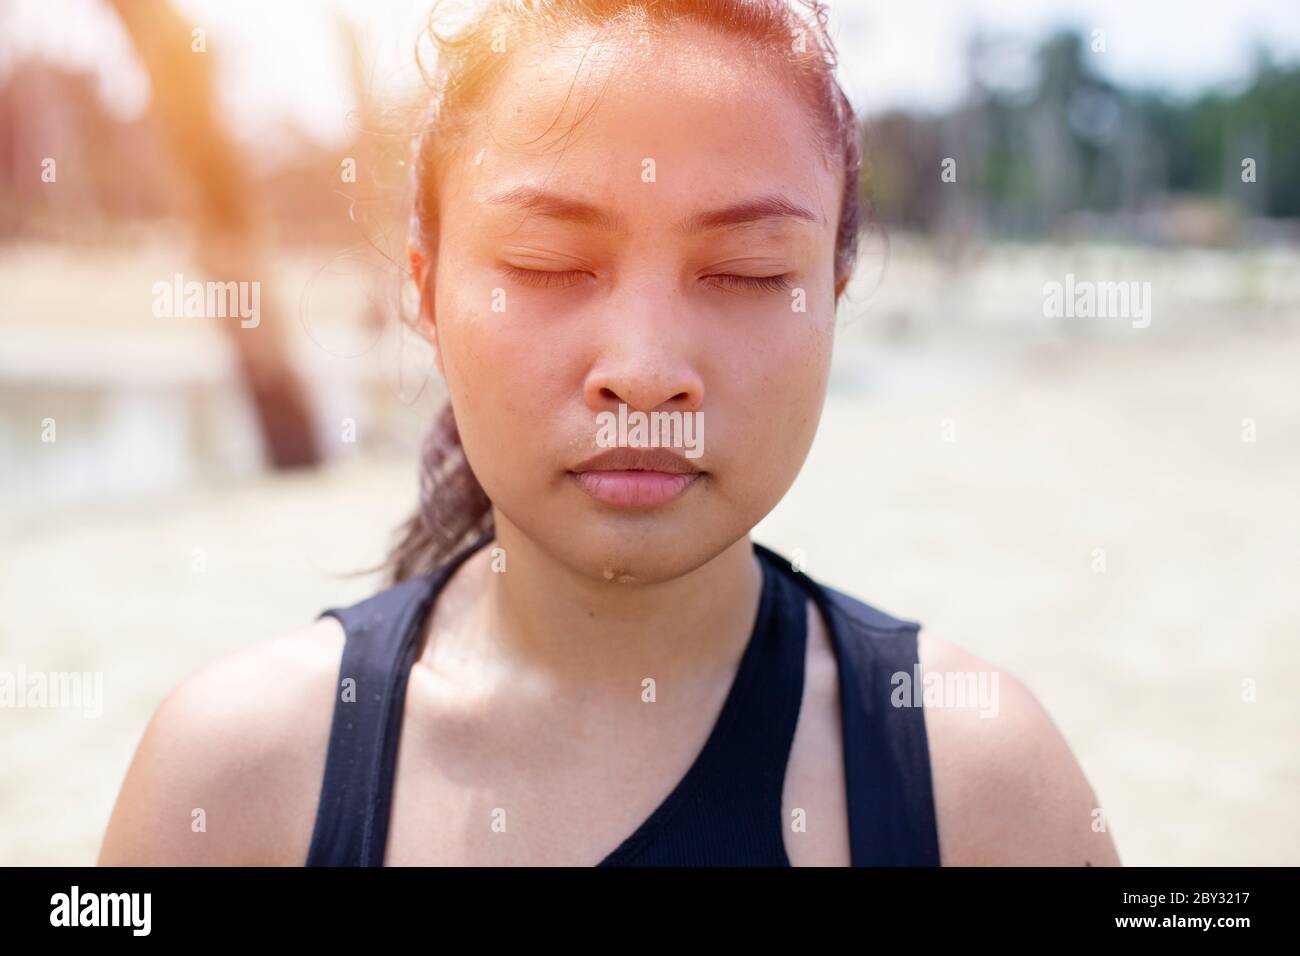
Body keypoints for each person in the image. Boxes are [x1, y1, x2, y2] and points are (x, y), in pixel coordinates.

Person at [98, 0, 1121, 866]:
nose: (643, 367)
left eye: (750, 272)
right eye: (547, 261)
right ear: (425, 290)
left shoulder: (975, 787)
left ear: (833, 295)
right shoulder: (235, 781)